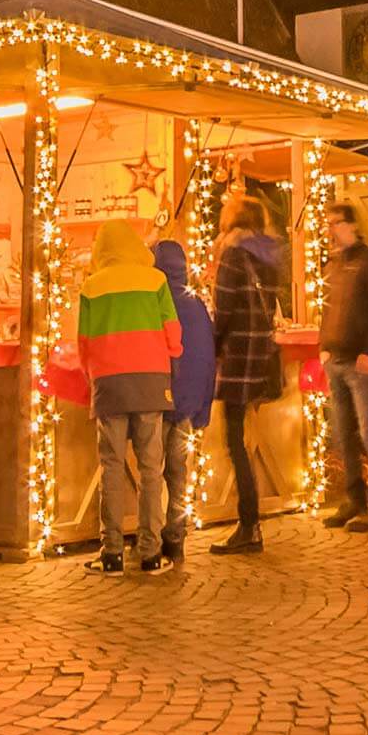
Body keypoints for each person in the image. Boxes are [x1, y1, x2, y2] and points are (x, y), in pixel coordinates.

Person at [76, 219, 183, 575]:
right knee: (151, 468)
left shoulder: (91, 286)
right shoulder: (156, 280)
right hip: (151, 380)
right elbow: (173, 332)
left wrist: (93, 373)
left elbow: (84, 344)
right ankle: (151, 553)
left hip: (109, 384)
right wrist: (168, 356)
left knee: (111, 465)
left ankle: (111, 553)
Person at [209, 195, 285, 556]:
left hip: (238, 359)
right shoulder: (269, 257)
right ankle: (250, 522)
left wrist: (211, 349)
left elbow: (223, 310)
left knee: (235, 441)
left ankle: (249, 523)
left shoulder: (233, 255)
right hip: (260, 358)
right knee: (245, 439)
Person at [318, 202, 368, 532]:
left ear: (353, 225)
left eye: (337, 223)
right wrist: (324, 346)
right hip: (336, 362)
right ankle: (354, 499)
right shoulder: (334, 265)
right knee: (343, 436)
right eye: (328, 224)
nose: (331, 229)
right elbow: (329, 309)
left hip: (360, 363)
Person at [150, 232, 215, 564]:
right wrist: (204, 406)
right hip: (188, 403)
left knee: (151, 470)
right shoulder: (196, 304)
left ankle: (149, 537)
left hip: (158, 399)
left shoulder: (154, 302)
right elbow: (207, 358)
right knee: (178, 471)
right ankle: (175, 536)